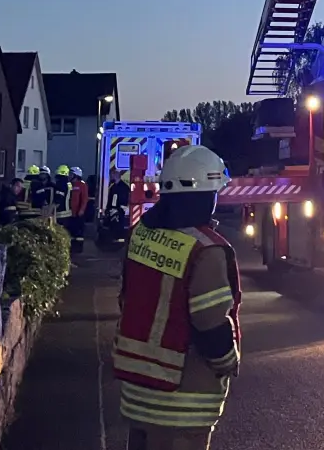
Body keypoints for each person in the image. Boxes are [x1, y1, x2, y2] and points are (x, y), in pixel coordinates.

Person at [113, 144, 240, 450]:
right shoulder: (206, 250)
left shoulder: (141, 234)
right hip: (182, 401)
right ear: (203, 196)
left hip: (138, 393)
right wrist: (228, 362)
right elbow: (210, 325)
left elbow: (127, 295)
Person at [66, 166, 90, 253]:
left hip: (78, 213)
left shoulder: (82, 185)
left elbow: (84, 198)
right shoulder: (69, 185)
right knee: (71, 231)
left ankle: (78, 249)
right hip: (70, 213)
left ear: (76, 175)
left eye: (71, 174)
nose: (69, 176)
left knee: (79, 232)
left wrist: (82, 210)